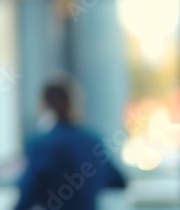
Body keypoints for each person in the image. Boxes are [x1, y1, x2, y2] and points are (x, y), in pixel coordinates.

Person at [14, 76, 127, 210]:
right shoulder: (94, 140)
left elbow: (28, 195)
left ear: (46, 103)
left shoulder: (40, 144)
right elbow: (119, 181)